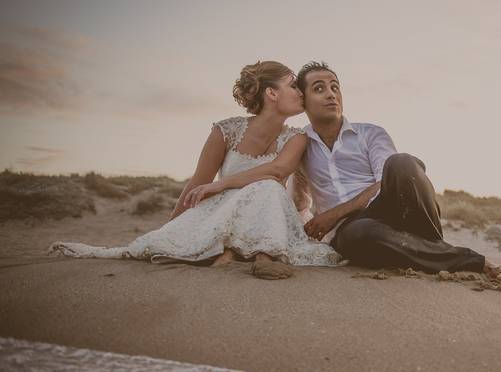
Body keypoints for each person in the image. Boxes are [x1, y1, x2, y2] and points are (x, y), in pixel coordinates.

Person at [50, 61, 341, 274]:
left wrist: (222, 183)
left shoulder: (297, 137)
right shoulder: (226, 131)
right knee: (163, 241)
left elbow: (277, 172)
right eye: (292, 84)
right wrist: (171, 227)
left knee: (266, 186)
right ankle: (229, 252)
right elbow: (197, 183)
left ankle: (259, 256)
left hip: (267, 213)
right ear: (271, 93)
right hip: (220, 211)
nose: (300, 91)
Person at [219, 61, 497, 275]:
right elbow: (297, 204)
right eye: (319, 88)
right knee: (357, 233)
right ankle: (449, 257)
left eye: (335, 87)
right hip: (356, 232)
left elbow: (385, 182)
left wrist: (332, 214)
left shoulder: (371, 134)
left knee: (401, 163)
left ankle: (437, 252)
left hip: (400, 215)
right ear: (303, 100)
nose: (331, 94)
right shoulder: (299, 143)